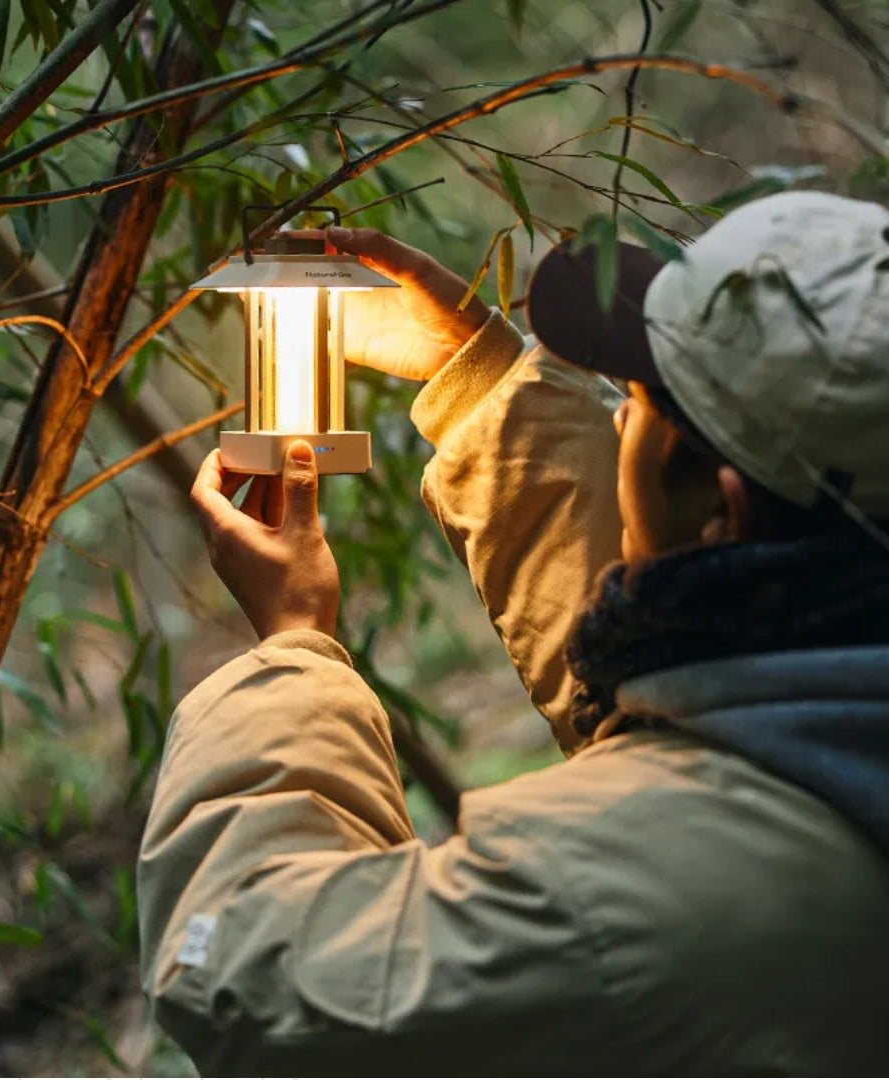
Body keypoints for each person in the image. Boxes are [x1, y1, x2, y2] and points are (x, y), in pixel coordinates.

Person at [136, 191, 889, 1075]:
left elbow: (253, 979)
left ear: (719, 510)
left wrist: (294, 649)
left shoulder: (621, 894)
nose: (616, 415)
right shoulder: (821, 722)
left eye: (642, 403)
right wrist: (482, 380)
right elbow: (701, 704)